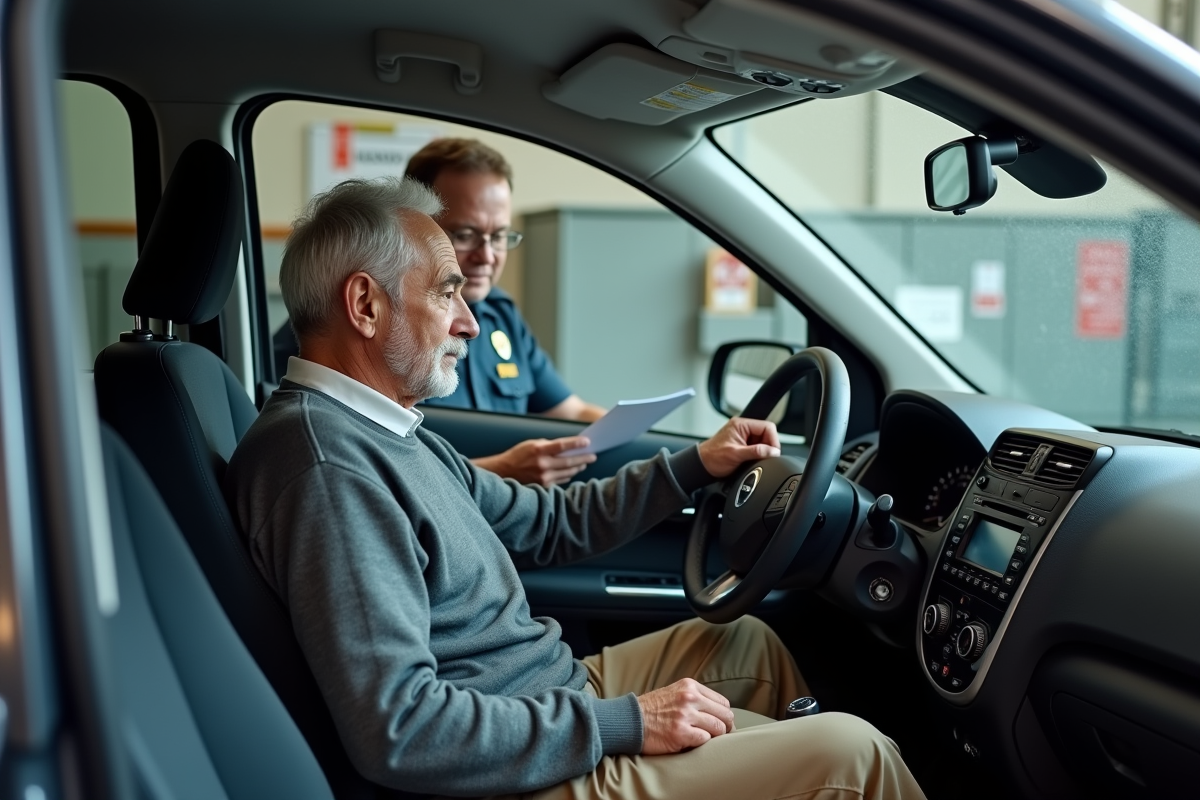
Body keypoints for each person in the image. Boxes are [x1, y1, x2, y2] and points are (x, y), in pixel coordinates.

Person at [225, 176, 927, 800]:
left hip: (545, 698)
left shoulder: (391, 432)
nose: (471, 319)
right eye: (446, 293)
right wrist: (626, 723)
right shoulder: (329, 471)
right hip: (521, 770)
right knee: (851, 753)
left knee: (747, 644)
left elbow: (548, 524)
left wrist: (693, 467)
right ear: (365, 306)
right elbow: (402, 731)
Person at [405, 137, 607, 487]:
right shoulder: (383, 325)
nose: (488, 256)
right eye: (466, 234)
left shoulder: (501, 315)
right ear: (417, 226)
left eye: (499, 236)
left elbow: (569, 411)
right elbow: (374, 470)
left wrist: (635, 433)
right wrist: (499, 471)